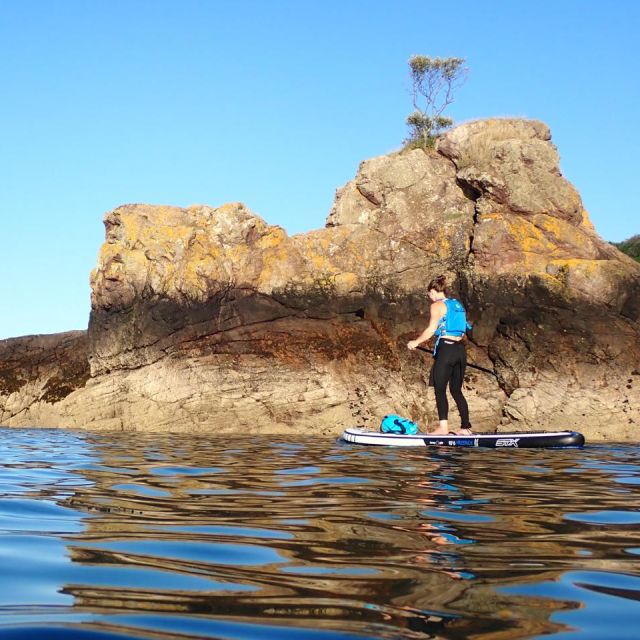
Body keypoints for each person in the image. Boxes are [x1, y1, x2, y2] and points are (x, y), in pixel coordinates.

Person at [407, 275, 472, 436]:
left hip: (447, 350)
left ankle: (443, 428)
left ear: (434, 292)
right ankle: (465, 427)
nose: (430, 298)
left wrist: (416, 342)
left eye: (429, 294)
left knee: (440, 389)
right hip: (460, 350)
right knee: (456, 390)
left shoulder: (437, 305)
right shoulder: (457, 304)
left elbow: (431, 329)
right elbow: (464, 328)